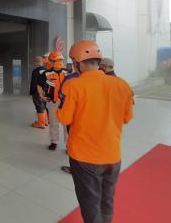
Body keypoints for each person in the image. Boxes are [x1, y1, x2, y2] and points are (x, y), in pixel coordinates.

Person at [57, 41, 134, 223]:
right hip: (112, 155)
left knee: (90, 204)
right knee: (107, 199)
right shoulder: (122, 85)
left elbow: (64, 119)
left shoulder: (73, 86)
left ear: (77, 62)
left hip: (84, 157)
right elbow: (127, 118)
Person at [37, 51, 68, 150]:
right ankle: (54, 141)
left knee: (67, 124)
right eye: (57, 60)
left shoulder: (67, 72)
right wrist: (42, 96)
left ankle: (69, 144)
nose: (59, 62)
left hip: (66, 102)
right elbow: (39, 85)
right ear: (51, 62)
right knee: (53, 123)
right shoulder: (45, 74)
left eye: (61, 60)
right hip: (52, 101)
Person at [30, 56, 48, 129]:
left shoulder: (35, 71)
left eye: (35, 62)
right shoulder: (46, 70)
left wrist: (31, 92)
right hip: (45, 91)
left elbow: (34, 83)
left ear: (36, 62)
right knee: (43, 106)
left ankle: (41, 123)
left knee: (39, 106)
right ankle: (45, 121)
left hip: (37, 92)